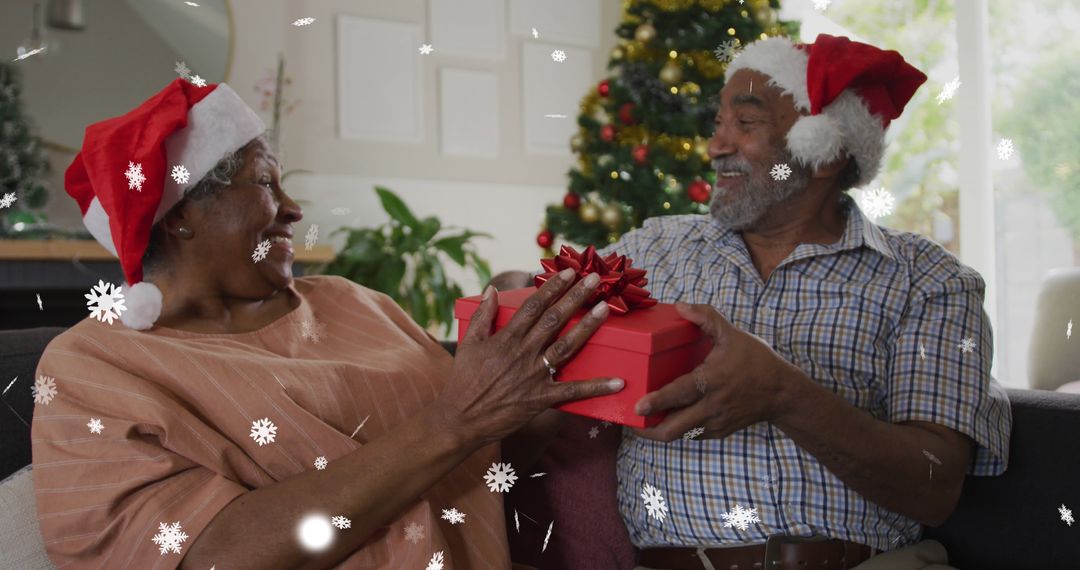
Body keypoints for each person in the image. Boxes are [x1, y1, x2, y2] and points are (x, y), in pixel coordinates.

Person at [30, 79, 625, 569]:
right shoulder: (92, 369)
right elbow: (210, 554)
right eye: (265, 182)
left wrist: (548, 367)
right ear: (181, 214)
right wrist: (454, 423)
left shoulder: (352, 302)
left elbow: (483, 453)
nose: (293, 209)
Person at [587, 35, 1011, 570]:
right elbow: (548, 336)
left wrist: (784, 395)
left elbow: (935, 486)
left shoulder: (927, 281)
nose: (717, 146)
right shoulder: (651, 251)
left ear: (825, 153)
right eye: (719, 125)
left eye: (745, 125)